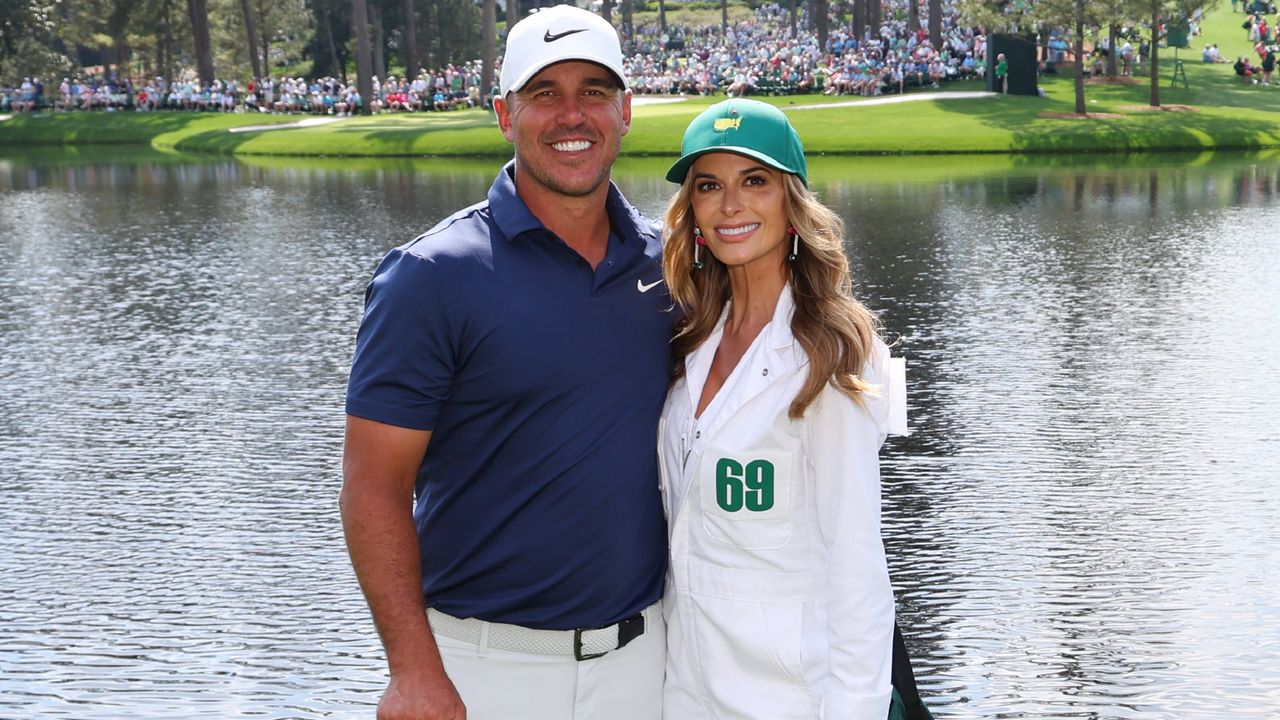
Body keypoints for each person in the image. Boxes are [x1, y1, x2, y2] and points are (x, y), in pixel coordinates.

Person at [340, 5, 671, 720]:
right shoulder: (430, 275)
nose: (571, 115)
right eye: (544, 94)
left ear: (626, 111)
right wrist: (411, 671)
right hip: (482, 671)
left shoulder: (668, 262)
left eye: (593, 91)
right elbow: (373, 486)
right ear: (504, 114)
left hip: (649, 665)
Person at [657, 98, 909, 719]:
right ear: (692, 211)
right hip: (683, 690)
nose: (731, 205)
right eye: (709, 185)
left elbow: (858, 569)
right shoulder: (685, 336)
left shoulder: (833, 355)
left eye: (755, 181)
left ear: (791, 203)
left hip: (791, 698)